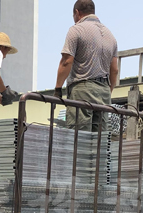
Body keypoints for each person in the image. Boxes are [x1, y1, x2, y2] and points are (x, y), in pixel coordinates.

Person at [54, 0, 118, 132]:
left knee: (79, 136)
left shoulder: (76, 30)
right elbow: (114, 70)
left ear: (77, 12)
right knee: (99, 138)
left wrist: (58, 89)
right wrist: (107, 91)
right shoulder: (110, 35)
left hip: (82, 89)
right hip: (104, 91)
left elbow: (66, 61)